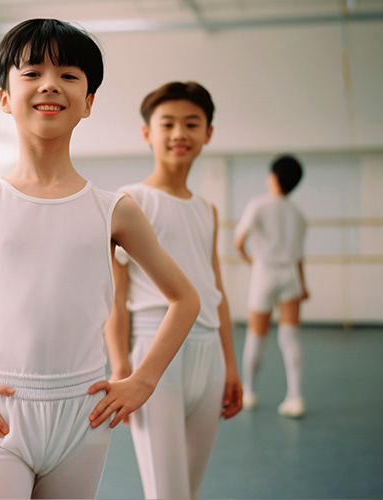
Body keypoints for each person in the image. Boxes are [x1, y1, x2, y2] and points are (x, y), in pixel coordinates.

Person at [0, 19, 200, 500]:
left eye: (69, 74)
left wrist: (143, 379)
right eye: (32, 73)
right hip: (2, 417)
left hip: (84, 419)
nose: (50, 83)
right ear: (4, 96)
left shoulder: (114, 210)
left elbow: (184, 298)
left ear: (89, 102)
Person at [105, 81, 243, 500]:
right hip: (154, 351)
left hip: (209, 354)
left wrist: (231, 364)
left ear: (208, 134)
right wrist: (120, 367)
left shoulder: (207, 209)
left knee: (189, 490)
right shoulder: (130, 200)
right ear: (148, 133)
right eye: (168, 123)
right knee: (168, 493)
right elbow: (116, 294)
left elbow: (214, 287)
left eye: (191, 123)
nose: (179, 133)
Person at [234, 154, 308, 418]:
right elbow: (299, 257)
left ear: (274, 177)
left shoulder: (258, 205)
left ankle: (250, 393)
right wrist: (304, 285)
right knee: (290, 337)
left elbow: (239, 242)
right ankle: (296, 397)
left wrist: (251, 261)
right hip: (290, 276)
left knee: (257, 335)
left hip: (264, 273)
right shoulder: (298, 214)